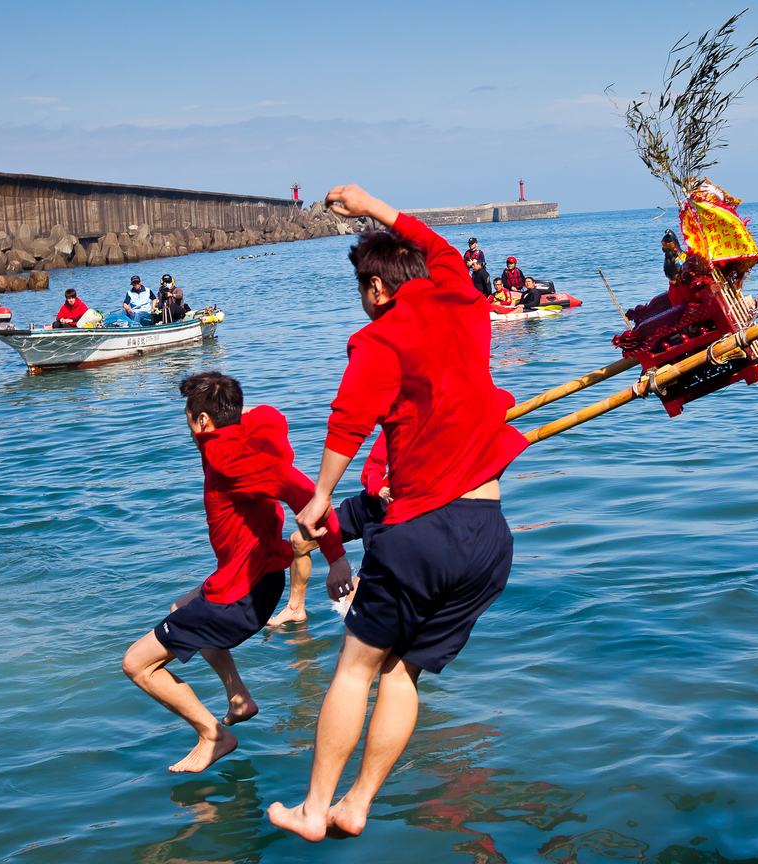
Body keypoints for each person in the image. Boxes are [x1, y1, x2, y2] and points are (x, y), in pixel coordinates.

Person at [267, 184, 528, 842]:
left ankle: (314, 808)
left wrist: (322, 497)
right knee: (401, 670)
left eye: (363, 290)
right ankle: (357, 802)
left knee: (356, 667)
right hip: (490, 536)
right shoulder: (466, 300)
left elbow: (347, 422)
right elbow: (438, 244)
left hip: (423, 531)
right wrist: (371, 204)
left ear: (377, 289)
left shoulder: (380, 338)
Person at [121, 371, 349, 774]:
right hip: (261, 579)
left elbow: (296, 488)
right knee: (181, 606)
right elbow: (269, 415)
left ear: (204, 422)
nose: (189, 428)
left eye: (190, 419)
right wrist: (228, 404)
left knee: (136, 664)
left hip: (239, 596)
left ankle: (213, 735)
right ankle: (238, 698)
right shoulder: (256, 434)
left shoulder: (225, 456)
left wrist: (336, 556)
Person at [266, 433, 390, 628]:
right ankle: (295, 608)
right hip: (372, 503)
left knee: (350, 609)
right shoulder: (398, 422)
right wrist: (380, 490)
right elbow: (372, 467)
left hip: (398, 518)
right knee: (299, 541)